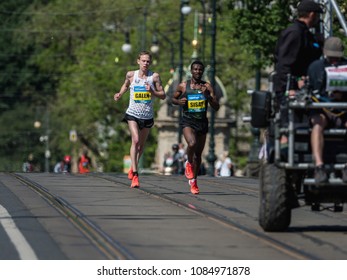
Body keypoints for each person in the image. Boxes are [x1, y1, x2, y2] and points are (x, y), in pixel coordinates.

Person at [273, 0, 324, 142]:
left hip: (302, 90)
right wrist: (288, 88)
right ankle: (284, 153)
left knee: (302, 127)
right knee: (288, 128)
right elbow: (284, 65)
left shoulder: (305, 33)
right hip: (290, 90)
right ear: (312, 15)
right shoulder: (295, 33)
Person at [114, 51, 166, 188]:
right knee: (135, 140)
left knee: (141, 146)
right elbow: (125, 85)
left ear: (150, 62)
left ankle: (132, 167)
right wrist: (119, 94)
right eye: (143, 61)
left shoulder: (154, 77)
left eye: (148, 61)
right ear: (138, 61)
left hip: (147, 116)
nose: (145, 63)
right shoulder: (131, 75)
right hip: (132, 114)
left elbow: (163, 95)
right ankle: (135, 175)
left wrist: (152, 92)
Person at [171, 60, 220, 194]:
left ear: (202, 72)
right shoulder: (183, 86)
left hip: (202, 123)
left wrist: (208, 97)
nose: (197, 71)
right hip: (188, 121)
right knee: (191, 143)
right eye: (195, 69)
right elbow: (173, 99)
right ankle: (188, 163)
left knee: (198, 156)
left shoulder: (207, 86)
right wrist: (179, 101)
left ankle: (194, 181)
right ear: (191, 71)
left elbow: (216, 107)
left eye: (200, 70)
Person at [307, 36, 347, 183]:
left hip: (343, 111)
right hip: (322, 109)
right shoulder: (315, 67)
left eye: (337, 58)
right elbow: (311, 90)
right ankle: (319, 166)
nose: (334, 61)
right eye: (331, 58)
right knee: (317, 124)